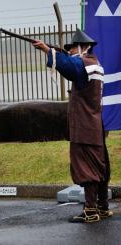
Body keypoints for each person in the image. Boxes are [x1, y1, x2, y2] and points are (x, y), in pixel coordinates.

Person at [33, 29, 111, 223]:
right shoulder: (95, 65)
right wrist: (54, 52)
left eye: (73, 48)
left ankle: (91, 210)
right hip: (94, 124)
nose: (72, 52)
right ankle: (102, 207)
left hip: (84, 126)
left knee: (86, 169)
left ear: (83, 48)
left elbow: (69, 66)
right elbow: (71, 63)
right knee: (99, 167)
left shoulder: (84, 64)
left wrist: (47, 50)